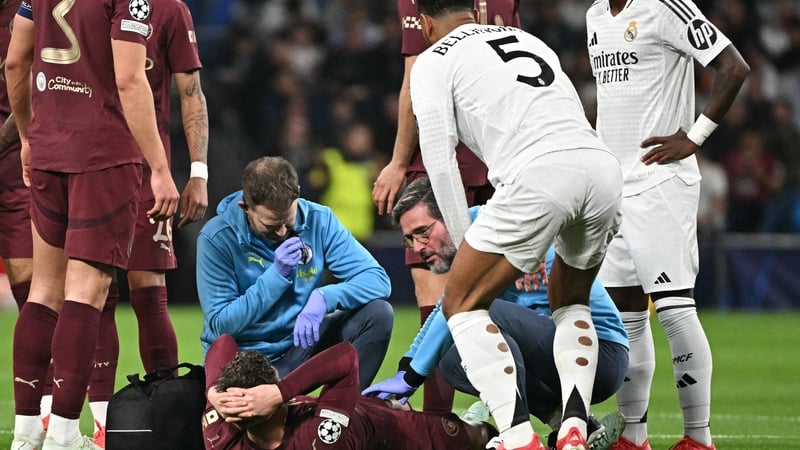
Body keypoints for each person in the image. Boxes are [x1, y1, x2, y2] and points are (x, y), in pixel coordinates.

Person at [409, 1, 624, 449]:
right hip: (600, 167)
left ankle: (517, 435)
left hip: (537, 174)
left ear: (427, 23)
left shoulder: (433, 60)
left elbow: (439, 158)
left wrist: (463, 243)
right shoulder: (530, 41)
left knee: (462, 305)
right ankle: (573, 428)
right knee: (571, 301)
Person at [6, 0, 180, 447]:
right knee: (87, 292)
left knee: (44, 292)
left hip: (47, 151)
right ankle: (65, 432)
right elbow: (128, 76)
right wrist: (159, 169)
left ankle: (28, 432)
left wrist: (27, 137)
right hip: (104, 155)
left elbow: (14, 61)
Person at [585, 1, 750, 449]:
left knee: (675, 310)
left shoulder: (664, 7)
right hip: (613, 182)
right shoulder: (595, 15)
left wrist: (693, 138)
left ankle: (698, 437)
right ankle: (633, 437)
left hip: (660, 180)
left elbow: (733, 67)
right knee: (627, 318)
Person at [363, 177, 630, 450]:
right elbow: (446, 308)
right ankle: (565, 424)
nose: (418, 247)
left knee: (481, 311)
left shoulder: (496, 230)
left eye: (423, 232)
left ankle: (517, 436)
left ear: (451, 216)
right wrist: (406, 368)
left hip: (599, 355)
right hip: (553, 354)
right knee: (453, 359)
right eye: (410, 239)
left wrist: (410, 379)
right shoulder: (473, 239)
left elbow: (457, 306)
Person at [372, 0, 520, 415]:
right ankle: (516, 413)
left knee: (438, 296)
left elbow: (413, 80)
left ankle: (439, 427)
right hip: (496, 158)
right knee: (499, 296)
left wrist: (399, 162)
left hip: (438, 160)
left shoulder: (421, 2)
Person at [82, 0, 210, 445]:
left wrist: (198, 171)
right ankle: (102, 421)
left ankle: (165, 410)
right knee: (95, 292)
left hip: (143, 171)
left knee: (148, 291)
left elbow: (191, 91)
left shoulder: (169, 9)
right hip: (89, 165)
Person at [196, 156, 393, 392]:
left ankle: (334, 415)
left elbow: (377, 279)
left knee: (378, 314)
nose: (281, 232)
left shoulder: (319, 220)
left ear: (297, 194)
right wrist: (276, 276)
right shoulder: (217, 238)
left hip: (300, 346)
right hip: (244, 363)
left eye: (287, 222)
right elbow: (221, 326)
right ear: (245, 207)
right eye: (270, 225)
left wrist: (324, 297)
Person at [202, 335, 498, 450]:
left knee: (481, 437)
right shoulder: (318, 440)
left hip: (373, 419)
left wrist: (214, 392)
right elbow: (345, 356)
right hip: (382, 432)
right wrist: (280, 391)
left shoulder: (220, 430)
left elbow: (223, 342)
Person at [0, 0, 28, 313]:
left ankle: (50, 364)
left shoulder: (32, 12)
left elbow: (35, 94)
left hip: (17, 170)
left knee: (32, 290)